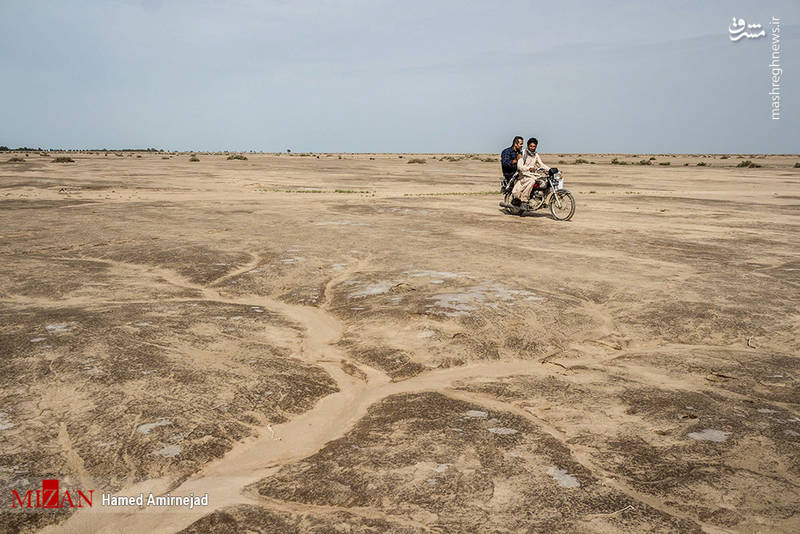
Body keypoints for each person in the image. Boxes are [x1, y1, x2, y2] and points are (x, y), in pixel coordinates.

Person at [512, 137, 550, 203]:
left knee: (545, 182)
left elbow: (541, 164)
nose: (532, 148)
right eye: (531, 146)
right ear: (528, 146)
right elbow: (519, 166)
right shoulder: (522, 153)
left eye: (534, 146)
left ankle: (540, 199)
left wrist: (550, 170)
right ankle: (524, 198)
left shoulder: (535, 155)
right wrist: (529, 168)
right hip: (523, 175)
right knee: (532, 180)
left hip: (532, 174)